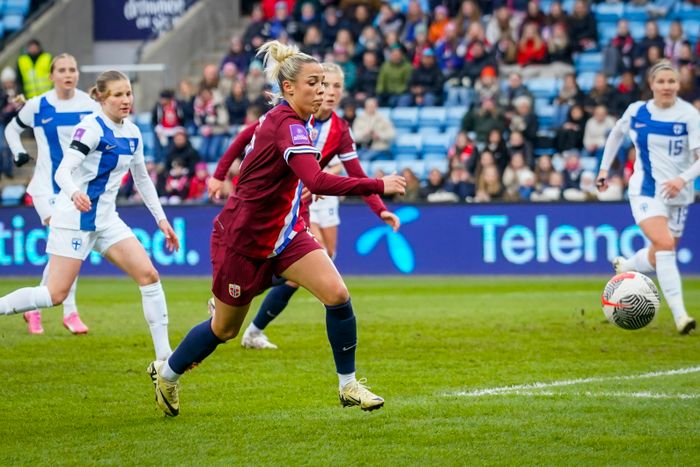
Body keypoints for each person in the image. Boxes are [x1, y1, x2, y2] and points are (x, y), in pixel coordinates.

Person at [147, 41, 406, 417]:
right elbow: (315, 180)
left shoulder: (303, 120)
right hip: (244, 241)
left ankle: (348, 384)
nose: (322, 91)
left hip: (285, 234)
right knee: (224, 330)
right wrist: (379, 184)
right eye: (313, 84)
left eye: (324, 83)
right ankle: (167, 375)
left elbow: (285, 164)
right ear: (288, 88)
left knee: (337, 294)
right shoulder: (288, 125)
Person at [0, 70, 180, 362]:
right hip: (75, 219)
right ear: (103, 98)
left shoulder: (133, 133)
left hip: (107, 220)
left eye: (128, 93)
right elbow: (62, 171)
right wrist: (74, 193)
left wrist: (161, 220)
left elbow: (143, 179)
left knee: (149, 276)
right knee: (55, 295)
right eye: (118, 95)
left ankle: (164, 358)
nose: (126, 100)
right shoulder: (91, 128)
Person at [596, 61, 699, 335]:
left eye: (671, 81)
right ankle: (681, 316)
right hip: (646, 189)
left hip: (679, 194)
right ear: (652, 84)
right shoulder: (637, 111)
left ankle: (627, 265)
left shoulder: (688, 115)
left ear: (678, 85)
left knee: (660, 254)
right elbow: (616, 134)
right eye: (661, 81)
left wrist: (682, 179)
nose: (666, 86)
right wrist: (604, 169)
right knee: (665, 244)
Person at [4, 53, 100, 334]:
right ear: (51, 76)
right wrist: (19, 152)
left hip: (74, 188)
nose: (68, 74)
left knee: (67, 250)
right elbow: (11, 129)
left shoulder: (89, 104)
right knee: (67, 246)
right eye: (62, 70)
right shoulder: (38, 104)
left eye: (72, 69)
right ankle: (69, 312)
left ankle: (34, 307)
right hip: (46, 188)